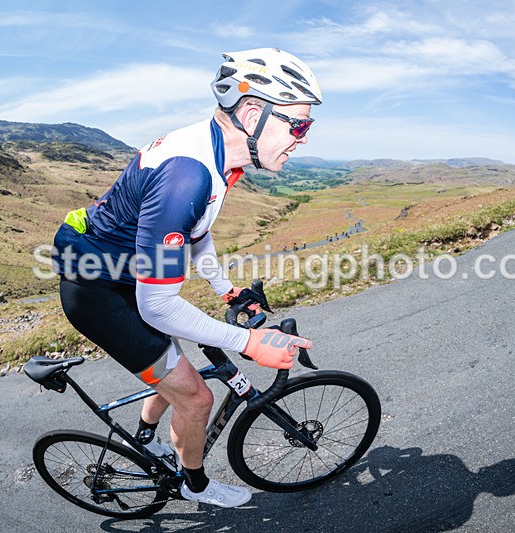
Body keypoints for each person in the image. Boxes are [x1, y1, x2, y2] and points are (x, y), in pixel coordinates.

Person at [51, 48, 321, 507]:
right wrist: (250, 343)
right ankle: (195, 485)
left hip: (123, 273)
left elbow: (199, 232)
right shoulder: (187, 175)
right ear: (253, 113)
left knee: (177, 366)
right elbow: (158, 305)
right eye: (298, 124)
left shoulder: (217, 156)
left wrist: (225, 289)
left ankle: (146, 434)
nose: (303, 138)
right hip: (97, 292)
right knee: (196, 398)